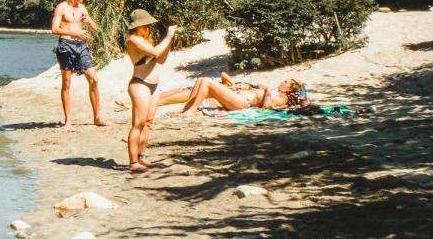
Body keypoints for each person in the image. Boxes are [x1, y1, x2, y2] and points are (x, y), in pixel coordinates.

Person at [125, 9, 177, 173]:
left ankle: (141, 156)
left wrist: (170, 40)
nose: (149, 28)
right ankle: (133, 163)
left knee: (147, 124)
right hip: (140, 84)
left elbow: (160, 58)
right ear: (137, 26)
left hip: (153, 85)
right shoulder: (133, 40)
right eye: (146, 25)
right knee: (138, 124)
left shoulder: (146, 40)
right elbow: (155, 52)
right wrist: (168, 36)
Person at [50, 0, 106, 129]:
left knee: (93, 79)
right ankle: (68, 121)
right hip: (66, 46)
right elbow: (54, 29)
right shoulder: (61, 7)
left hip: (81, 47)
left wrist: (89, 21)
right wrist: (73, 33)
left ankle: (97, 118)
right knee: (67, 83)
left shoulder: (82, 8)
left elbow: (95, 27)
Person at [177, 73, 309, 117]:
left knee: (206, 81)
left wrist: (267, 93)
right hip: (239, 97)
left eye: (285, 82)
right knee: (201, 80)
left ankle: (191, 110)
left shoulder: (282, 98)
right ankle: (187, 109)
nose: (282, 82)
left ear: (289, 90)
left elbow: (266, 110)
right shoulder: (276, 91)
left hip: (241, 102)